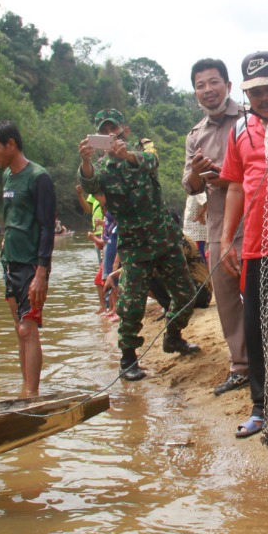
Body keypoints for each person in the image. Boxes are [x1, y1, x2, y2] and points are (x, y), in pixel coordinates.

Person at [80, 110, 200, 382]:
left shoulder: (143, 151)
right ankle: (128, 359)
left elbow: (152, 160)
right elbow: (89, 183)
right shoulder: (101, 169)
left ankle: (173, 337)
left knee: (186, 295)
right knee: (131, 305)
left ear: (125, 130)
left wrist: (128, 156)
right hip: (134, 246)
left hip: (164, 238)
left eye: (115, 128)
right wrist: (85, 160)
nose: (111, 134)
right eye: (105, 130)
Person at [219, 51, 268, 439]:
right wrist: (228, 238)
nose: (263, 97)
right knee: (258, 329)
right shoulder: (240, 131)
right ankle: (261, 407)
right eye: (255, 91)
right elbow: (233, 186)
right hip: (256, 248)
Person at [183, 59, 250, 396]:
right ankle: (240, 366)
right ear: (195, 91)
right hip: (218, 224)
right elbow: (191, 186)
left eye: (213, 82)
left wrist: (226, 173)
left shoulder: (249, 119)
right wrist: (198, 171)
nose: (207, 90)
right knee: (226, 299)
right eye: (200, 85)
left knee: (258, 295)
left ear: (228, 85)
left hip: (253, 222)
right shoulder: (196, 136)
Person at [0, 120, 55, 398]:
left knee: (28, 329)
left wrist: (41, 273)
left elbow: (47, 227)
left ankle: (32, 395)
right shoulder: (7, 177)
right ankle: (24, 389)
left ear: (11, 145)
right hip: (10, 261)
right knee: (19, 330)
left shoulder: (39, 177)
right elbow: (11, 217)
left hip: (30, 264)